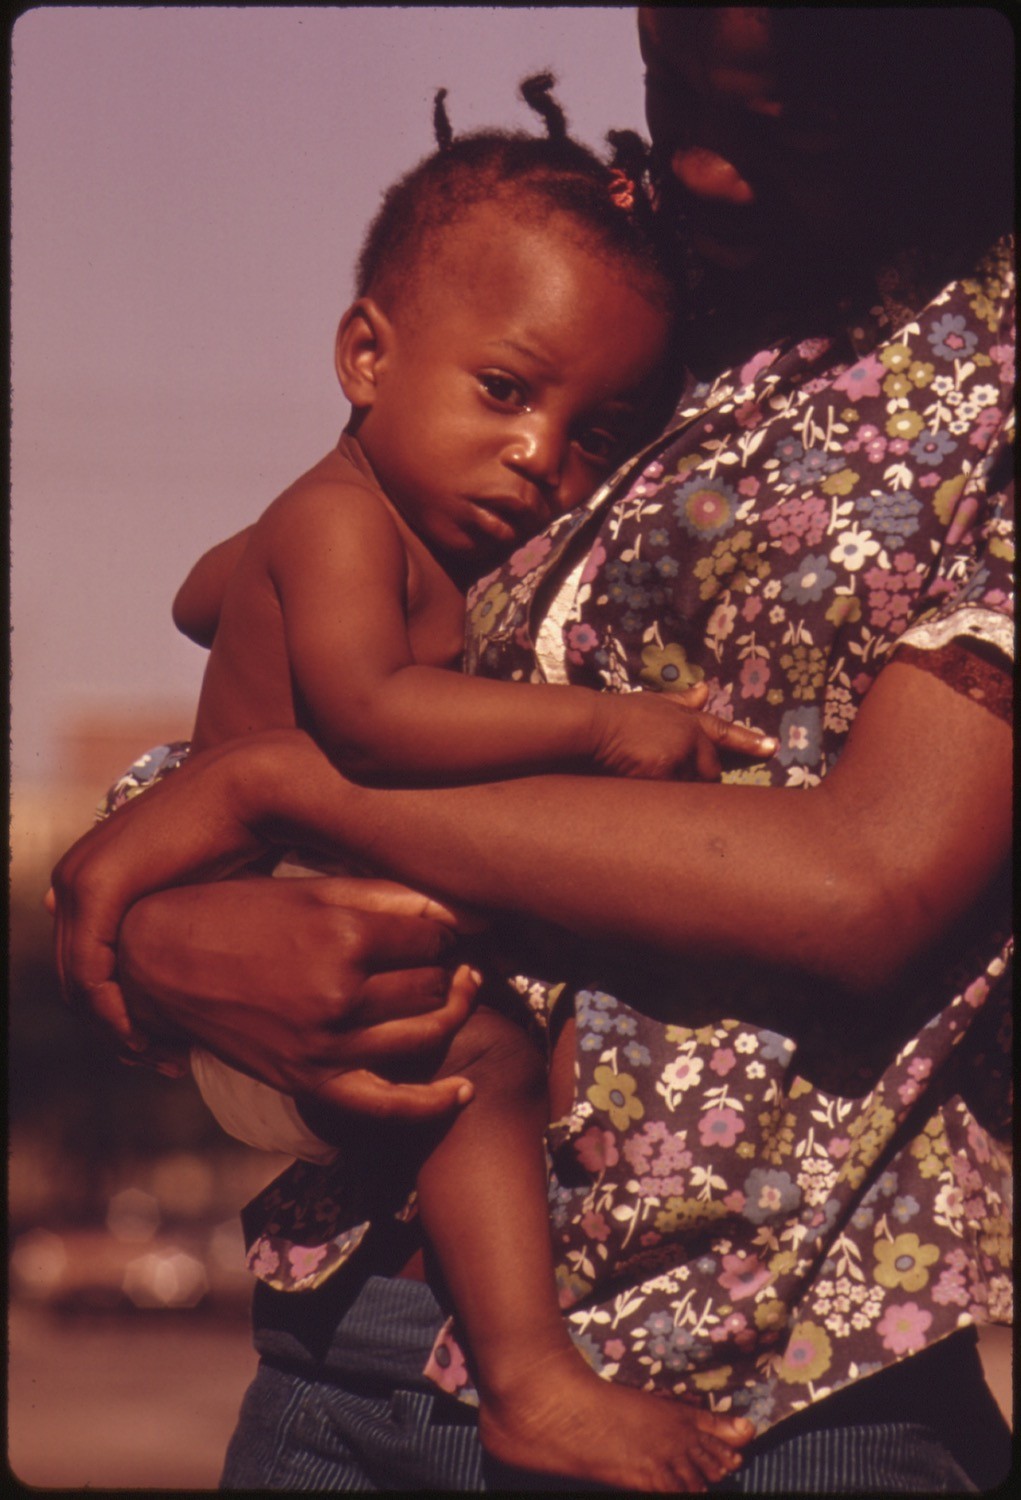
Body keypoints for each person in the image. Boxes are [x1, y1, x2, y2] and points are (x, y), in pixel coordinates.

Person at [52, 6, 1013, 1493]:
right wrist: (173, 921)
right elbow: (302, 647)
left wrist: (264, 796)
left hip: (774, 1384)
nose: (693, 168)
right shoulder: (593, 293)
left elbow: (861, 885)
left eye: (784, 128)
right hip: (347, 1342)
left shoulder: (987, 367)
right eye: (672, 79)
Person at [147, 76, 772, 1490]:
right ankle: (531, 1383)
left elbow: (196, 596)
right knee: (480, 1059)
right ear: (366, 354)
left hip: (287, 920)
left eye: (588, 432)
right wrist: (605, 727)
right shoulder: (339, 523)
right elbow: (373, 721)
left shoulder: (328, 520)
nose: (537, 458)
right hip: (274, 945)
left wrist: (254, 585)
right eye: (502, 390)